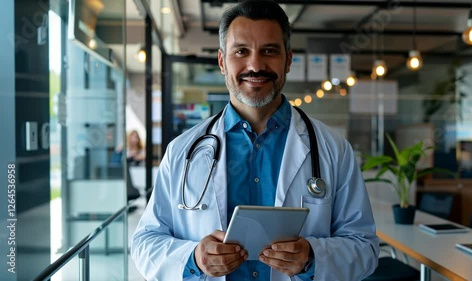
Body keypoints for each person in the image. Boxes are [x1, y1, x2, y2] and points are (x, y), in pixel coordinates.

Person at [131, 1, 379, 280]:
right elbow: (145, 243)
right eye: (241, 52)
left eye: (269, 51)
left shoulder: (333, 149)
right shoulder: (182, 151)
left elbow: (365, 249)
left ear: (288, 60)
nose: (256, 65)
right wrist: (193, 259)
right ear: (222, 62)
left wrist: (312, 257)